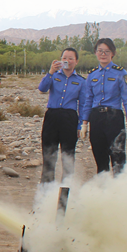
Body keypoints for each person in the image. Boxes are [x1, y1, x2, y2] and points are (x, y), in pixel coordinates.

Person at [80, 38, 127, 175]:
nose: (103, 54)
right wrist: (84, 123)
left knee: (118, 158)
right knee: (100, 158)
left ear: (113, 53)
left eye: (107, 51)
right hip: (96, 118)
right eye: (100, 51)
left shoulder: (121, 73)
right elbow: (88, 100)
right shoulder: (92, 75)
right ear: (95, 53)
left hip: (114, 118)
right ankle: (103, 187)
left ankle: (119, 186)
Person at [38, 48, 86, 183]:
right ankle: (46, 190)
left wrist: (81, 125)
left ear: (76, 61)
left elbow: (83, 105)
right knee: (48, 155)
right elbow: (42, 88)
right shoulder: (54, 76)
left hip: (69, 118)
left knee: (68, 156)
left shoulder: (81, 81)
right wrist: (50, 72)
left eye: (71, 58)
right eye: (64, 58)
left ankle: (65, 190)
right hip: (52, 116)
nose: (67, 61)